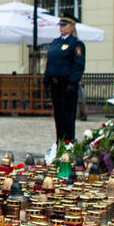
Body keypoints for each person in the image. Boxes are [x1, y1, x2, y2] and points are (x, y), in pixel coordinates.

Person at [43, 15, 86, 148]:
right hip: (56, 85)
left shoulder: (76, 44)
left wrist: (73, 82)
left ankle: (68, 143)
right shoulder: (55, 43)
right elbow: (50, 63)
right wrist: (46, 79)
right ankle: (59, 142)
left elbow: (78, 65)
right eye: (60, 25)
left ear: (72, 26)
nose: (61, 28)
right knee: (58, 116)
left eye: (64, 25)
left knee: (68, 116)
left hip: (67, 84)